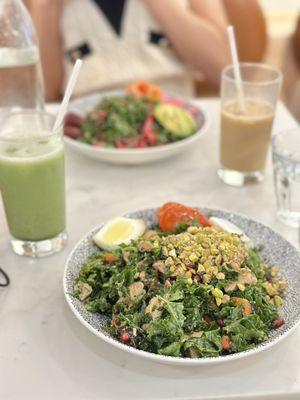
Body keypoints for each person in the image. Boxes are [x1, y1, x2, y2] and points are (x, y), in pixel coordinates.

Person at [24, 0, 266, 101]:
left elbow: (222, 69)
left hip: (175, 118)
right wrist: (47, 6)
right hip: (86, 130)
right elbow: (45, 93)